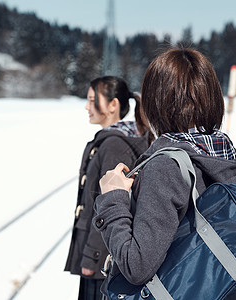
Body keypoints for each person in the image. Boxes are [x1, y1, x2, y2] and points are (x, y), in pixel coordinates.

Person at [92, 48, 236, 294]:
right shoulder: (223, 158)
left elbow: (137, 266)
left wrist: (112, 198)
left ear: (156, 102)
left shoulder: (167, 166)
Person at [64, 76, 151, 300]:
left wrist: (93, 257)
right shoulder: (111, 139)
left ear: (113, 105)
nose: (87, 106)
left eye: (93, 100)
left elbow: (110, 203)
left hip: (101, 260)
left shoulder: (115, 145)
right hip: (100, 254)